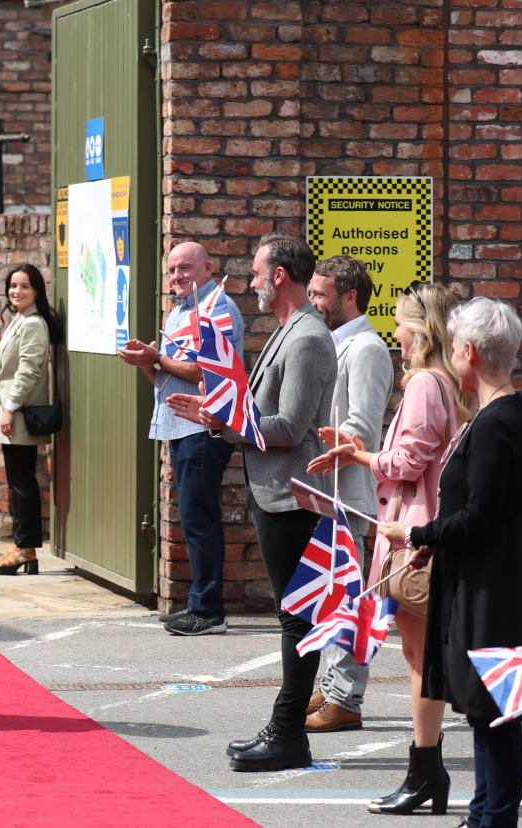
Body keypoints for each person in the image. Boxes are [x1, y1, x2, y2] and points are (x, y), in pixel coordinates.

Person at [169, 233, 336, 771]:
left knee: (298, 617)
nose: (253, 283)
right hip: (275, 489)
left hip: (293, 495)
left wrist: (225, 423)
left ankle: (288, 733)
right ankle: (286, 729)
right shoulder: (287, 330)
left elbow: (290, 426)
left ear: (280, 276)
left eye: (259, 273)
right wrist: (218, 416)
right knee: (293, 615)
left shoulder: (307, 336)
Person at [310, 281, 473, 814]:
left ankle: (426, 770)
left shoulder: (427, 382)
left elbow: (408, 462)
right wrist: (367, 451)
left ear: (421, 329)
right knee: (417, 656)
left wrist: (360, 458)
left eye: (401, 323)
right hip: (418, 529)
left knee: (421, 660)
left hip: (412, 535)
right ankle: (427, 770)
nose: (395, 333)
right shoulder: (445, 381)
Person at [380, 298, 522, 827]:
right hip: (485, 580)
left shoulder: (497, 422)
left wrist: (418, 532)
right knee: (484, 710)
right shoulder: (497, 416)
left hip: (494, 587)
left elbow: (479, 518)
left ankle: (494, 818)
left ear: (469, 352)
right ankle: (482, 813)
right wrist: (432, 542)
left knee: (495, 713)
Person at [118, 241, 244, 636]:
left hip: (203, 426)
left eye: (185, 268)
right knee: (192, 515)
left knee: (199, 516)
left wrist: (156, 358)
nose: (176, 277)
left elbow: (210, 373)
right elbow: (166, 376)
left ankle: (209, 611)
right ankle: (199, 605)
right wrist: (149, 363)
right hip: (180, 425)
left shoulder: (217, 307)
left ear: (208, 267)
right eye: (172, 270)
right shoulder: (178, 312)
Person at [302, 255, 394, 732]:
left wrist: (320, 442)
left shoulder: (367, 349)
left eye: (320, 295)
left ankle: (346, 700)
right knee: (335, 598)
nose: (313, 301)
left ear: (349, 296)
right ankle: (330, 687)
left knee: (353, 601)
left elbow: (362, 424)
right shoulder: (335, 343)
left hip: (353, 494)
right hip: (329, 491)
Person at [0, 264, 61, 576]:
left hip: (18, 415)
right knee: (19, 482)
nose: (16, 292)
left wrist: (10, 409)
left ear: (36, 292)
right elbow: (7, 367)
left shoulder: (33, 324)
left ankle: (25, 548)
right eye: (13, 286)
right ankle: (24, 547)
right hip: (12, 413)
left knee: (22, 484)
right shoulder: (19, 320)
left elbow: (29, 371)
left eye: (24, 286)